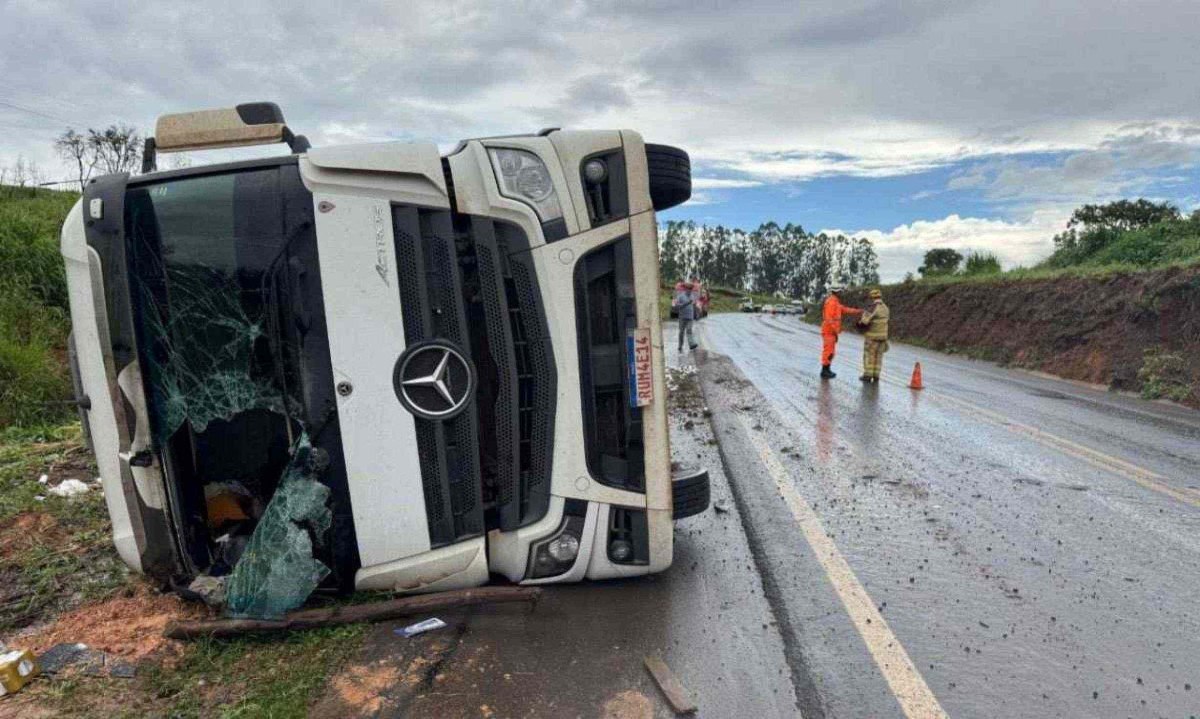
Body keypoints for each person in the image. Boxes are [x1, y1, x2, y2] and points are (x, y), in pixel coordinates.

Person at [820, 285, 862, 378]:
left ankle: (827, 369)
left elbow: (846, 309)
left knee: (831, 352)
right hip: (829, 331)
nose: (842, 293)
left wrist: (858, 311)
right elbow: (829, 318)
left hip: (831, 332)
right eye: (841, 291)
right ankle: (824, 371)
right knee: (828, 351)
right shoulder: (831, 302)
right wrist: (836, 329)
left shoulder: (836, 302)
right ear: (837, 292)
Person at [858, 288, 889, 382]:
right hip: (883, 337)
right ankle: (876, 376)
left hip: (872, 337)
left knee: (869, 355)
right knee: (878, 357)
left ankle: (867, 375)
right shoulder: (885, 308)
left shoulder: (873, 307)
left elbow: (865, 321)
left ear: (872, 297)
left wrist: (859, 324)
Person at [674, 280, 699, 352]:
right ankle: (680, 346)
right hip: (682, 317)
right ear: (686, 289)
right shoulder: (680, 296)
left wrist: (696, 314)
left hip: (690, 317)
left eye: (691, 289)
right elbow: (677, 306)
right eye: (688, 289)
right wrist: (687, 303)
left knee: (689, 330)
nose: (690, 291)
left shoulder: (693, 296)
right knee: (681, 332)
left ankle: (692, 344)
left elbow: (694, 306)